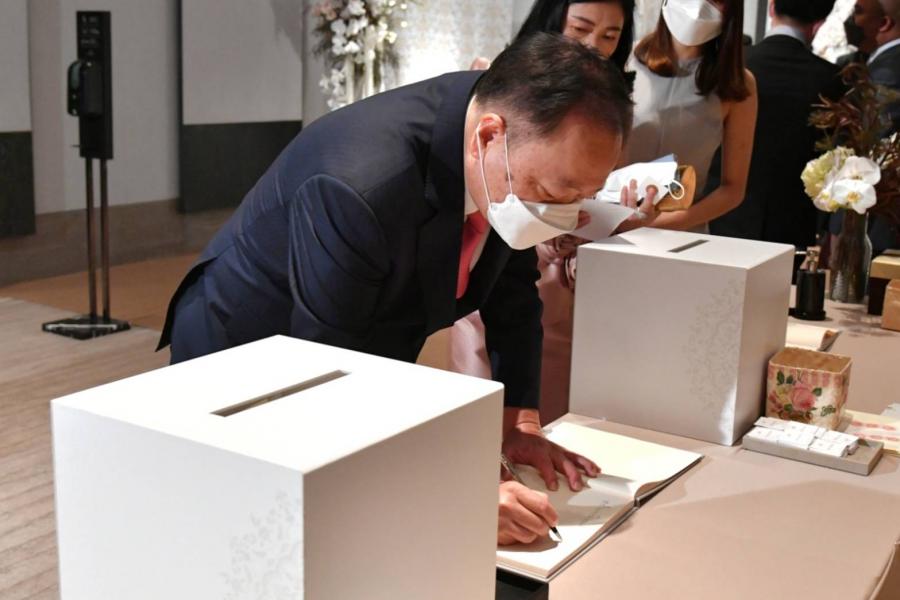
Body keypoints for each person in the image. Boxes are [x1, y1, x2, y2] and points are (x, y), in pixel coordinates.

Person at [158, 33, 634, 545]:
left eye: (581, 197)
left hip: (354, 347)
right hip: (247, 354)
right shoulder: (362, 184)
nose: (558, 214)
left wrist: (519, 422)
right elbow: (328, 375)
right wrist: (451, 493)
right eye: (550, 192)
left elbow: (512, 292)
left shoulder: (504, 137)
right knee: (243, 533)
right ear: (489, 136)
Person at [452, 0, 647, 424]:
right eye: (581, 28)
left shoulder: (608, 106)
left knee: (540, 395)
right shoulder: (506, 92)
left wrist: (597, 214)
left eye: (610, 36)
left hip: (557, 279)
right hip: (496, 258)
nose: (594, 46)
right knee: (480, 391)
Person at [710, 0, 842, 261]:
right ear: (820, 23)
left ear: (771, 7)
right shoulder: (833, 81)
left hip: (718, 217)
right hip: (792, 224)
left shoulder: (731, 66)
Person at [624, 0, 758, 233]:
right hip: (611, 220)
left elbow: (732, 189)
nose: (698, 6)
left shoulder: (735, 83)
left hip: (680, 232)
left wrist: (655, 224)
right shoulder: (626, 60)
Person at [830, 0, 900, 254]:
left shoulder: (888, 72)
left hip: (873, 224)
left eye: (858, 12)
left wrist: (841, 225)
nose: (851, 20)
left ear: (884, 23)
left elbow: (867, 155)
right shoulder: (882, 64)